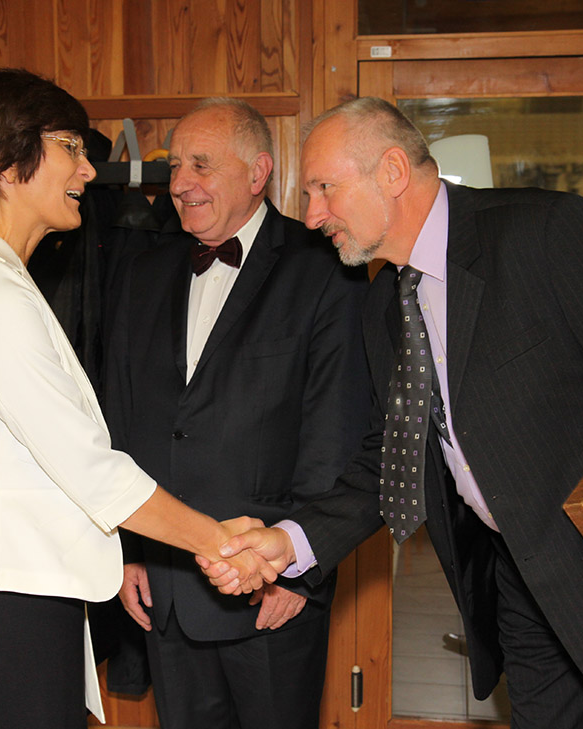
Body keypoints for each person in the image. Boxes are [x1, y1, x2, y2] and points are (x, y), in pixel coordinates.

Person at [206, 97, 583, 729]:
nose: (312, 214)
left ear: (393, 171)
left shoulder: (547, 234)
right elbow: (391, 461)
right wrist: (289, 540)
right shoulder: (381, 306)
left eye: (324, 188)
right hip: (519, 594)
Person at [0, 69, 272, 729]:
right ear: (4, 161)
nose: (88, 169)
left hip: (16, 594)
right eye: (70, 147)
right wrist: (216, 539)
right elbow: (89, 469)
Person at [104, 98, 371, 729]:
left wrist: (297, 571)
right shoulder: (142, 269)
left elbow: (334, 434)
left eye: (201, 165)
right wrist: (127, 550)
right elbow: (122, 416)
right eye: (175, 166)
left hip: (269, 591)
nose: (180, 183)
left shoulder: (324, 267)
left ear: (258, 173)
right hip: (165, 584)